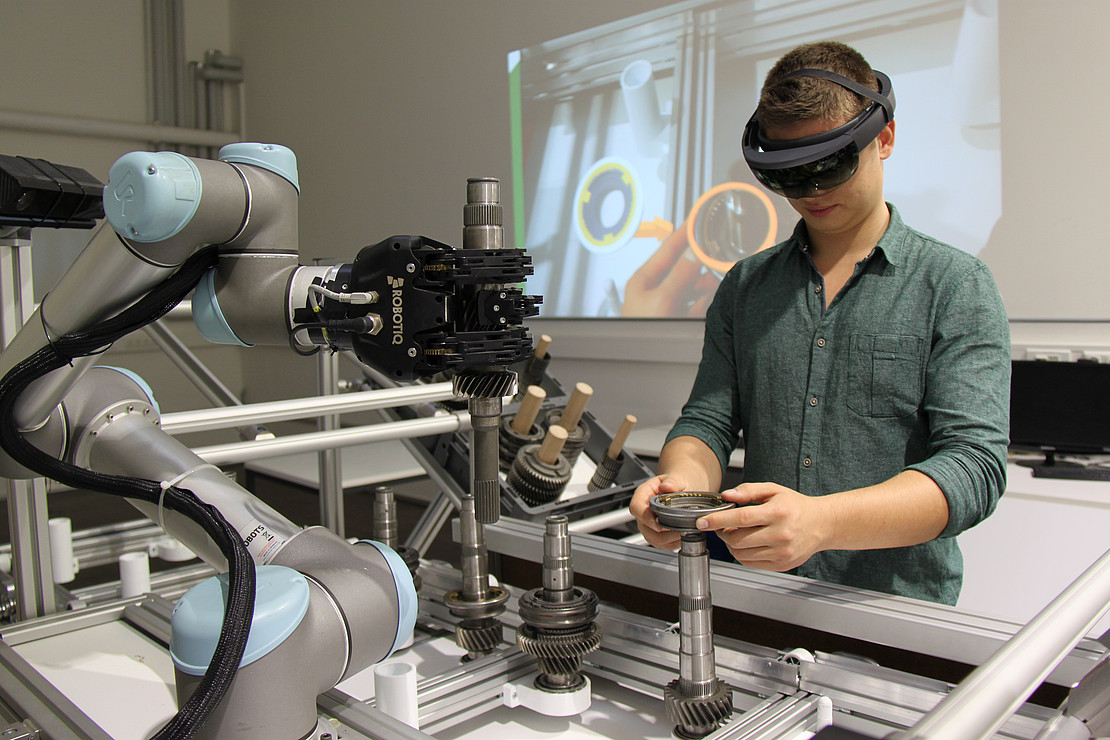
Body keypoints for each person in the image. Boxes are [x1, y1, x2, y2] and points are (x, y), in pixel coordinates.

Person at [628, 41, 1010, 605]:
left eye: (829, 166)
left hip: (895, 610)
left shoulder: (955, 286)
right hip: (761, 598)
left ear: (884, 138)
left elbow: (973, 468)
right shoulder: (745, 287)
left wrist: (823, 522)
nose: (810, 191)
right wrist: (681, 487)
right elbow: (708, 420)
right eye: (789, 174)